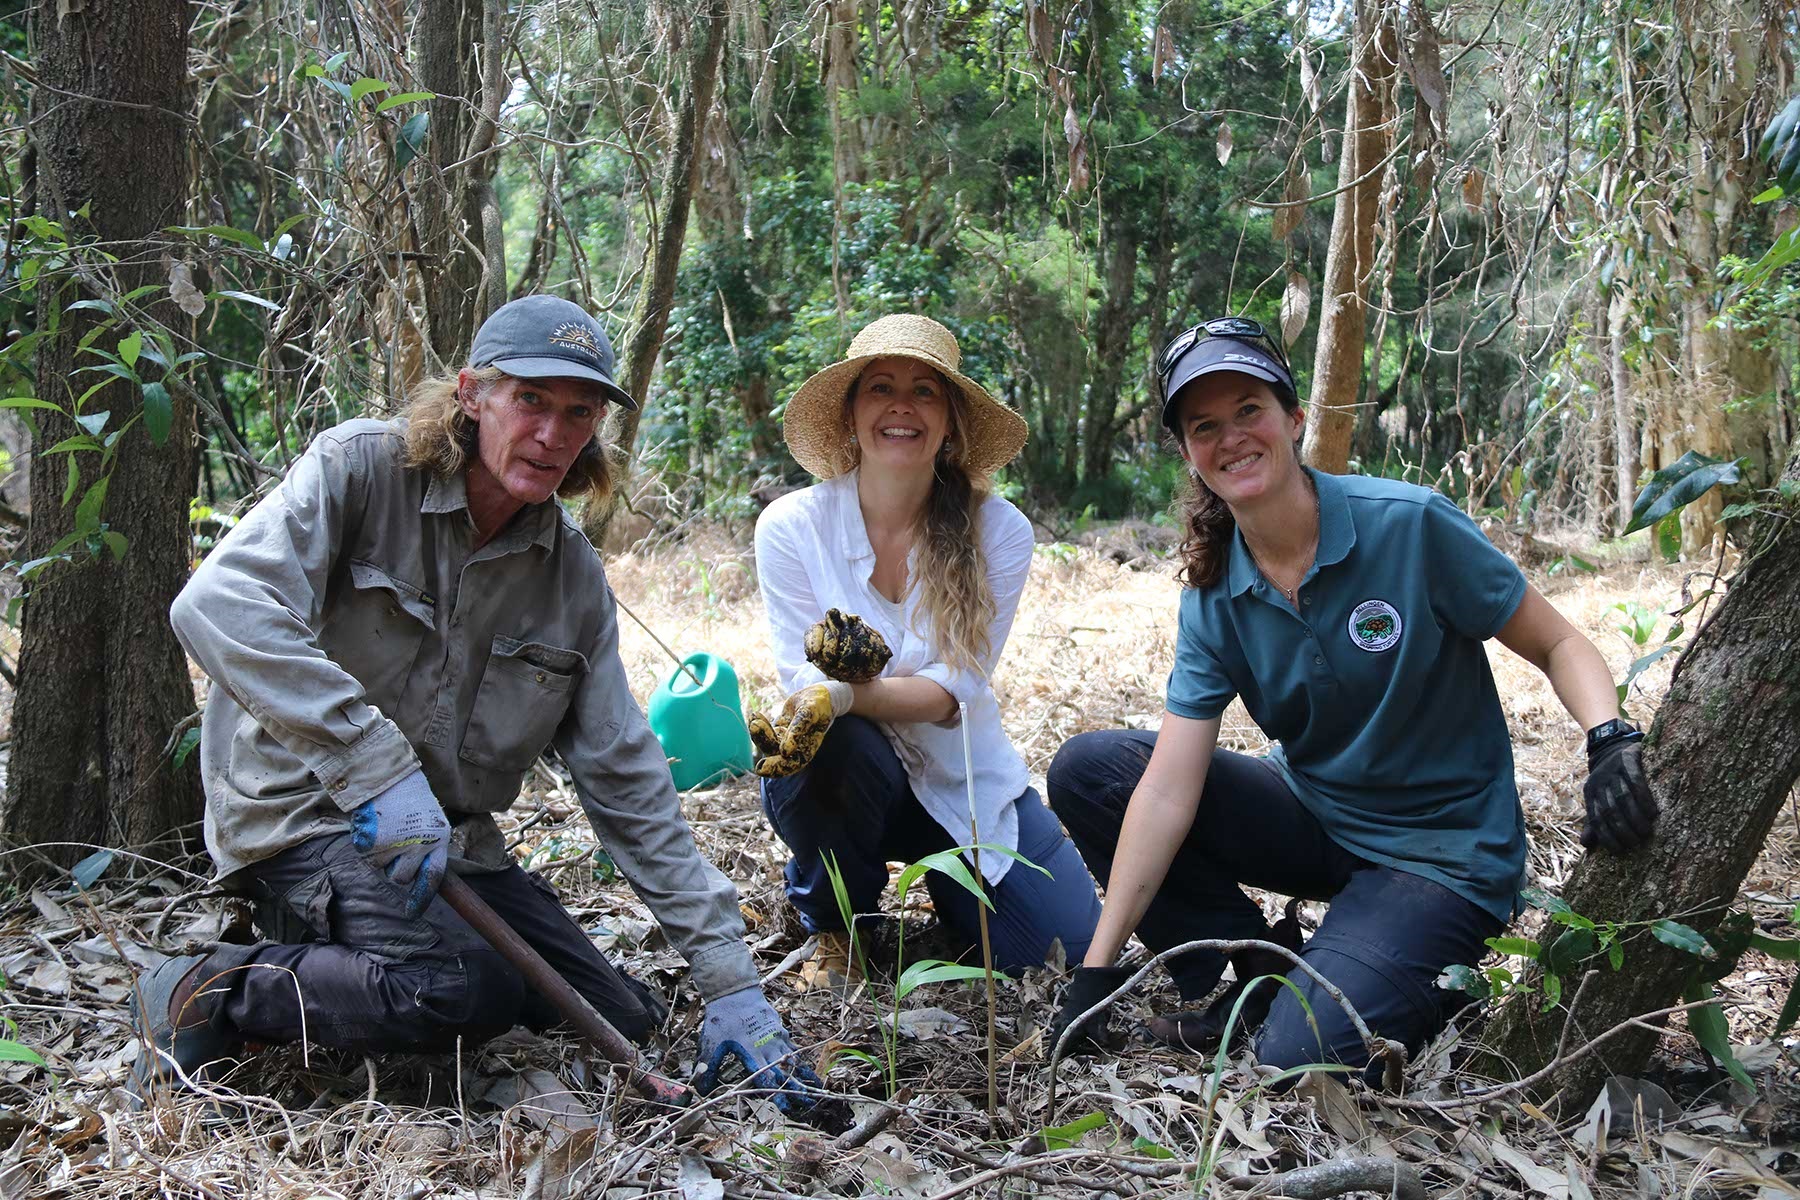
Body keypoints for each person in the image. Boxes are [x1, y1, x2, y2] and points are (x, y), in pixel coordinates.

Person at [138, 295, 818, 1112]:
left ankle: (367, 950)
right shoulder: (361, 472)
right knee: (460, 986)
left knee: (623, 1013)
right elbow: (215, 605)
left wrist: (728, 981)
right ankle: (205, 988)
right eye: (531, 401)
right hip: (302, 817)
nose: (554, 434)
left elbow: (625, 775)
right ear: (472, 394)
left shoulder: (570, 579)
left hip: (451, 847)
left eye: (580, 412)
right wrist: (375, 768)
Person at [1046, 316, 1657, 1077]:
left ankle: (1408, 980)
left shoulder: (1408, 526)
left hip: (1440, 853)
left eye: (1249, 411)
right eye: (1205, 425)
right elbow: (1168, 787)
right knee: (1092, 770)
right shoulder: (1214, 594)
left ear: (1294, 419)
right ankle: (1247, 978)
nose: (1231, 437)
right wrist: (1096, 972)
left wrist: (1609, 738)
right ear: (1189, 453)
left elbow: (1557, 641)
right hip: (1316, 814)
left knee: (1302, 1060)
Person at [750, 314, 1102, 984]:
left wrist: (850, 690)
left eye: (925, 391)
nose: (901, 406)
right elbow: (803, 682)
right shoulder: (792, 527)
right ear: (851, 415)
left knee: (1064, 957)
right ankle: (837, 922)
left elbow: (952, 692)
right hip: (851, 775)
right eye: (880, 387)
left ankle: (955, 886)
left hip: (962, 780)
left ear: (949, 427)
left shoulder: (999, 530)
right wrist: (833, 697)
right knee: (830, 743)